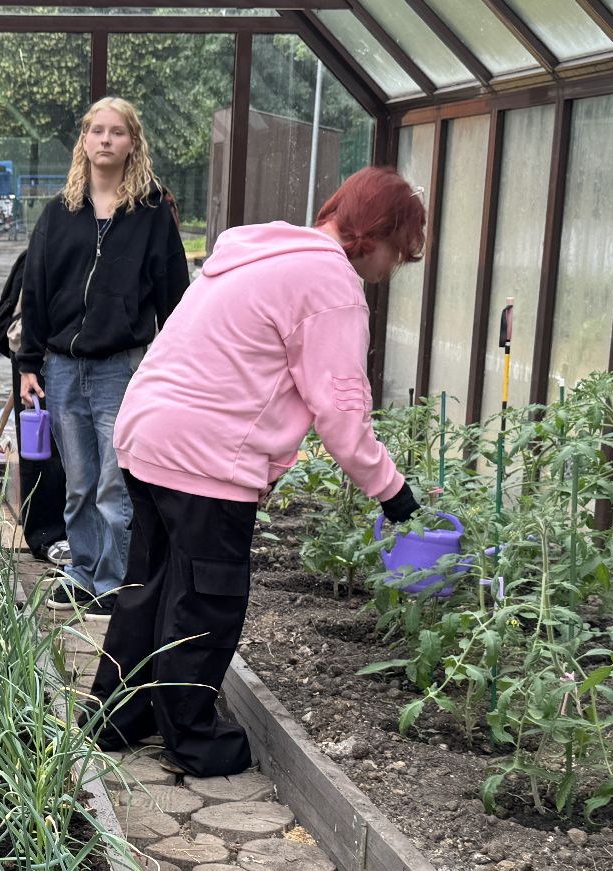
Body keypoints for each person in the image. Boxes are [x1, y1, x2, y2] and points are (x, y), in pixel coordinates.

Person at [88, 166, 426, 778]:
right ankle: (191, 740)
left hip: (148, 432)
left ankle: (116, 716)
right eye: (397, 256)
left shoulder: (257, 255)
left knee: (153, 583)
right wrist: (393, 491)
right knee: (205, 600)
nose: (389, 271)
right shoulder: (330, 282)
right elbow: (341, 410)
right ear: (374, 238)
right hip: (205, 454)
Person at [17, 98, 189, 621]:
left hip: (122, 366)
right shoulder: (59, 211)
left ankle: (114, 582)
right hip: (64, 366)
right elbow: (36, 287)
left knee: (116, 484)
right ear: (85, 142)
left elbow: (173, 293)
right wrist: (28, 361)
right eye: (97, 131)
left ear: (132, 142)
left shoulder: (152, 212)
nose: (106, 140)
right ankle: (82, 575)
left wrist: (173, 366)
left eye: (117, 132)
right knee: (79, 481)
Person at [0, 249, 67, 562]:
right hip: (41, 357)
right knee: (44, 448)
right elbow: (11, 327)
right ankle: (48, 535)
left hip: (90, 357)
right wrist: (28, 365)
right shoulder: (43, 250)